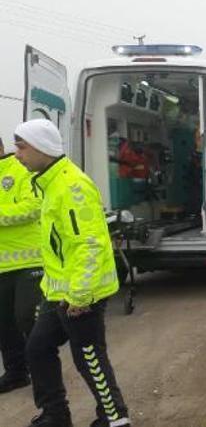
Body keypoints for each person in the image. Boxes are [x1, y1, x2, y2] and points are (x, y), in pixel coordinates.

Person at [14, 119, 130, 427]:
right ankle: (55, 414)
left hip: (81, 294)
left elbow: (89, 245)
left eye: (21, 147)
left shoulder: (71, 187)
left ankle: (115, 418)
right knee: (38, 348)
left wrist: (79, 294)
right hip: (58, 293)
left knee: (88, 356)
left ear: (42, 148)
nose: (17, 155)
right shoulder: (49, 183)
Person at [0, 137, 43, 394]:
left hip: (29, 261)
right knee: (3, 323)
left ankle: (43, 372)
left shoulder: (20, 169)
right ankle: (16, 373)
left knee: (26, 318)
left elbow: (33, 207)